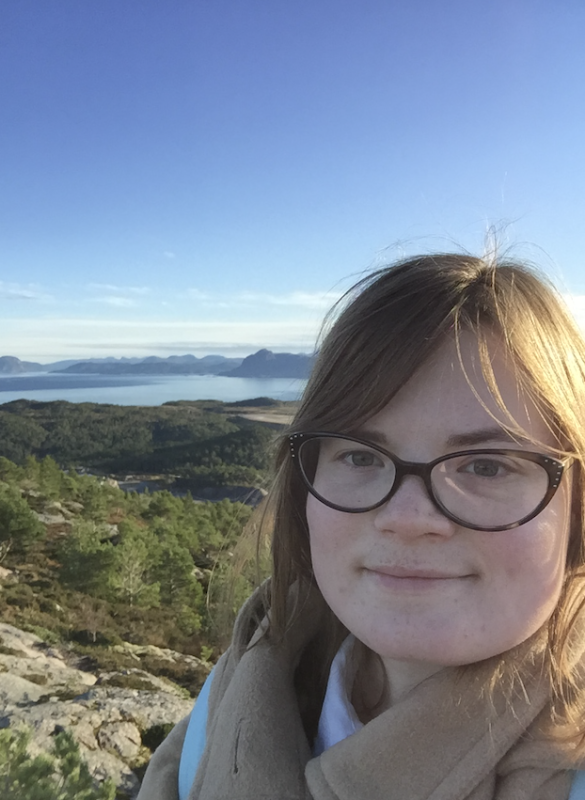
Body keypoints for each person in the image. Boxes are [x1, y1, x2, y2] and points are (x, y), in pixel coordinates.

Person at [139, 252, 585, 800]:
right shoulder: (236, 691)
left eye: (486, 465)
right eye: (360, 456)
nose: (406, 519)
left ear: (577, 504)